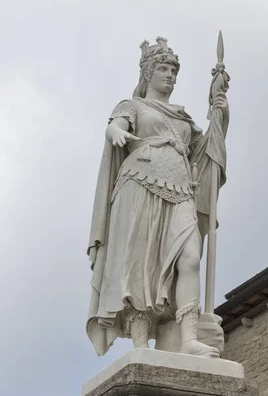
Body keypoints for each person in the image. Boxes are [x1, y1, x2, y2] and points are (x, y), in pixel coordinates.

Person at [87, 37, 229, 357]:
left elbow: (206, 155)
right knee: (142, 266)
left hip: (180, 188)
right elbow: (115, 127)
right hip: (139, 184)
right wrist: (118, 133)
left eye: (173, 71)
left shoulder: (182, 118)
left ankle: (189, 338)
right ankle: (140, 344)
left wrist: (219, 114)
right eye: (163, 69)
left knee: (190, 257)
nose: (170, 75)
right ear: (148, 74)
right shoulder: (132, 106)